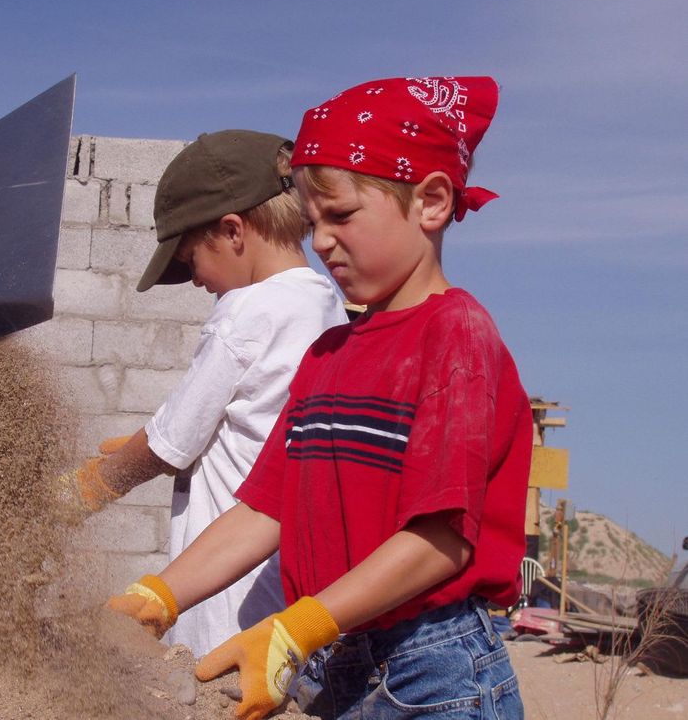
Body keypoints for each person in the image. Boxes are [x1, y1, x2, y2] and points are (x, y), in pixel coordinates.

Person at [107, 77, 531, 720]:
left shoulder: (455, 335)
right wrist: (159, 595)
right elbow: (265, 509)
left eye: (342, 216)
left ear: (433, 202)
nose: (323, 240)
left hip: (432, 670)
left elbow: (441, 540)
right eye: (313, 222)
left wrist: (299, 626)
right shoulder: (327, 354)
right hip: (337, 658)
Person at [64, 129, 347, 658]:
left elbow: (172, 441)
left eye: (191, 258)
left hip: (223, 596)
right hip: (281, 586)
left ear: (233, 231)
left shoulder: (245, 312)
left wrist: (88, 489)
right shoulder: (323, 305)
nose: (195, 280)